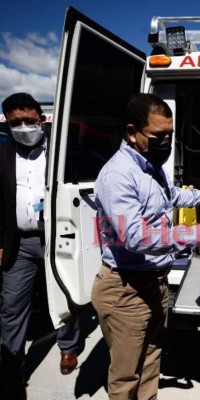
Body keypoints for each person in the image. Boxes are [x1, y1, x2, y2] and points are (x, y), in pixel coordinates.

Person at [91, 93, 200, 400]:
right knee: (126, 376)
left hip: (152, 284)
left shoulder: (150, 166)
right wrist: (196, 233)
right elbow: (135, 237)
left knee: (151, 362)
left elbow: (171, 196)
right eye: (158, 135)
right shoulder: (118, 175)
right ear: (132, 132)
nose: (166, 142)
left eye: (170, 135)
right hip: (125, 289)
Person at [0, 93, 83, 393]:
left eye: (28, 120)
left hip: (57, 238)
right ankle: (11, 368)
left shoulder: (63, 152)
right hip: (18, 244)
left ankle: (69, 347)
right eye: (15, 123)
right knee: (12, 307)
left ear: (42, 119)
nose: (23, 127)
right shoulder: (3, 155)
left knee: (64, 296)